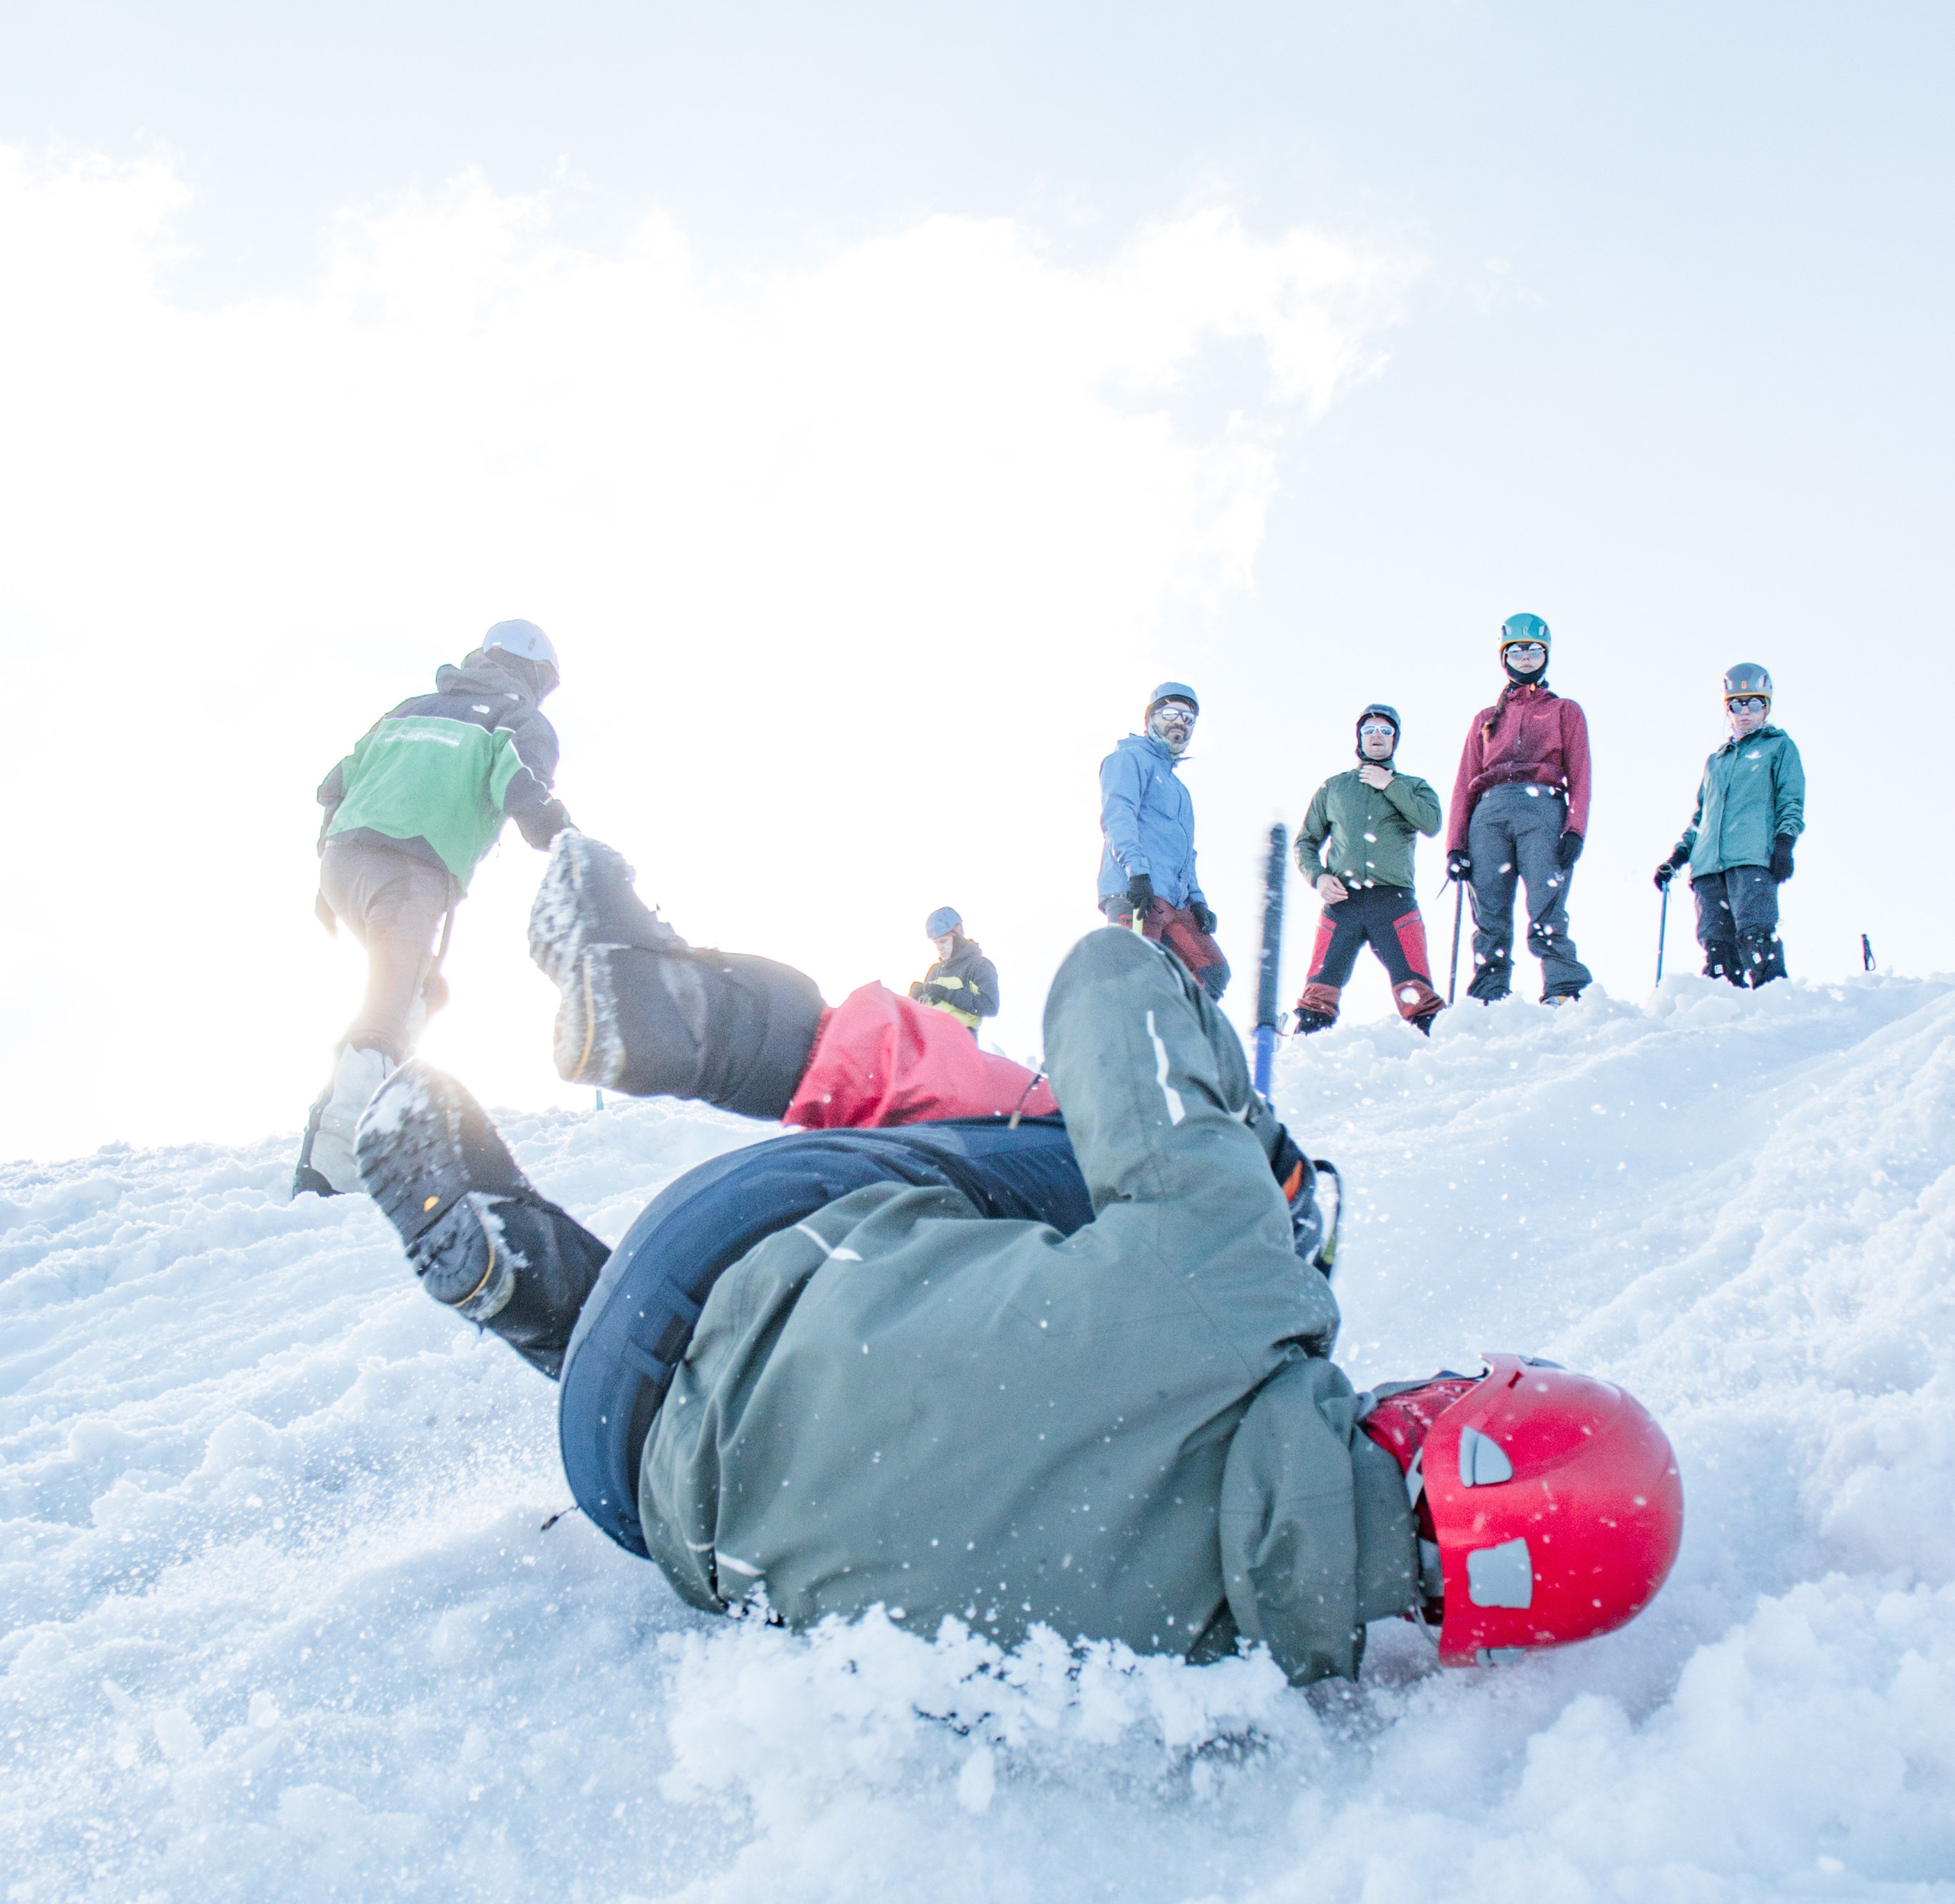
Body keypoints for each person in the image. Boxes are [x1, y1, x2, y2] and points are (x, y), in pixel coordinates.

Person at [351, 849, 1683, 1685]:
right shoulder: (1215, 1661)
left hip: (729, 1249)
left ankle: (689, 1019)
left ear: (1452, 1420)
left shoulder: (1240, 1283)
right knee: (894, 1441)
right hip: (628, 1476)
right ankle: (531, 1287)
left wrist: (1252, 1159)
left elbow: (1108, 978)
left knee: (1067, 1143)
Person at [293, 620, 573, 1198]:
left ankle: (381, 1121)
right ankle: (330, 1169)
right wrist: (566, 841)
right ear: (535, 675)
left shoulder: (409, 709)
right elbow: (522, 784)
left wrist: (326, 883)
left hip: (344, 862)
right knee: (388, 1012)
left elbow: (336, 785)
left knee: (423, 992)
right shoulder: (514, 718)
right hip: (409, 873)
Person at [1446, 614, 1594, 1005]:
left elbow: (1581, 774)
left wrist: (1575, 829)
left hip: (1542, 810)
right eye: (1516, 651)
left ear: (1546, 655)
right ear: (1504, 658)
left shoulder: (1564, 710)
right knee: (1490, 910)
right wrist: (1455, 846)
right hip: (1489, 815)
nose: (1525, 657)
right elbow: (1464, 784)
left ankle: (1563, 987)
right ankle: (1489, 992)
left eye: (1533, 650)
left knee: (1546, 904)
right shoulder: (1486, 719)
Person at [1291, 705, 1445, 1035]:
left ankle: (1435, 1050)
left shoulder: (1414, 786)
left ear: (1395, 740)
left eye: (1386, 731)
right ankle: (1304, 1050)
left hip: (1394, 902)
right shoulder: (1334, 788)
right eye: (1369, 730)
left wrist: (1390, 785)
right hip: (1342, 903)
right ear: (1359, 738)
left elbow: (1431, 823)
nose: (1377, 736)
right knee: (1318, 993)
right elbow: (1305, 843)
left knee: (1416, 992)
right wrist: (1318, 877)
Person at [1654, 664, 1805, 988]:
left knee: (1756, 934)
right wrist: (1677, 858)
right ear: (1728, 709)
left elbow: (1790, 801)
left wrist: (1784, 843)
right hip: (1708, 867)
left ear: (1766, 707)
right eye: (1737, 704)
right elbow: (1701, 818)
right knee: (1717, 947)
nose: (1745, 711)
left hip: (1751, 858)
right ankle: (1725, 1005)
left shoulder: (1778, 747)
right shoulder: (1717, 761)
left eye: (1754, 703)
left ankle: (1772, 998)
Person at [1097, 682, 1229, 999]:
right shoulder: (1128, 759)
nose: (1179, 723)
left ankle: (1179, 1030)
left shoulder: (1179, 790)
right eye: (1171, 713)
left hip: (1175, 902)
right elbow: (1118, 817)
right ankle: (1124, 1028)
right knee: (1137, 982)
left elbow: (1186, 853)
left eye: (1188, 719)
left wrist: (1197, 900)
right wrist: (1137, 873)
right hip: (1137, 893)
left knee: (1212, 972)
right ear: (1150, 718)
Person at [911, 907, 1000, 1031]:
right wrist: (915, 998)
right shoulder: (935, 971)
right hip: (931, 1035)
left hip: (960, 1036)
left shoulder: (978, 966)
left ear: (958, 931)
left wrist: (946, 993)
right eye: (936, 943)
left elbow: (989, 1006)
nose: (939, 948)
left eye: (943, 941)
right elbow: (927, 1008)